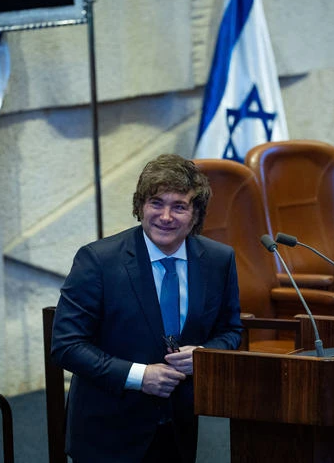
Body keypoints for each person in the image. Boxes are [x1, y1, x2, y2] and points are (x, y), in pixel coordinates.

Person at [51, 154, 243, 463]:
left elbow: (232, 330)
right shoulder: (98, 261)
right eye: (156, 203)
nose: (165, 216)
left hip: (179, 429)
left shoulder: (218, 260)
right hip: (109, 432)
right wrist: (140, 376)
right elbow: (66, 345)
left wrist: (204, 355)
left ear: (196, 215)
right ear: (140, 206)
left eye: (179, 206)